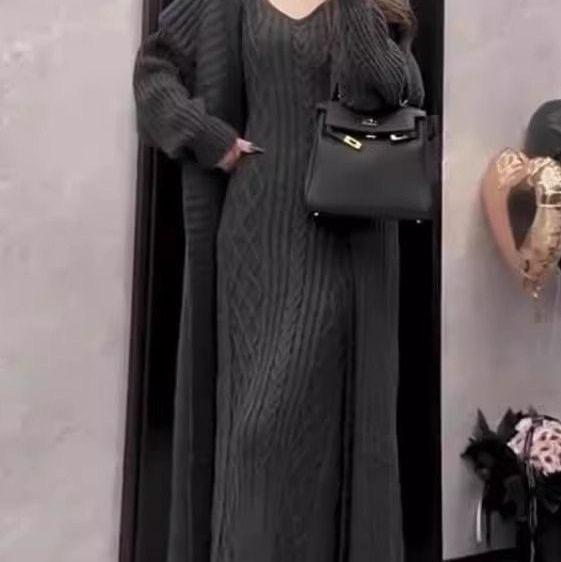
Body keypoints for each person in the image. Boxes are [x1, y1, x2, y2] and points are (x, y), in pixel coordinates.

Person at [133, 0, 425, 561]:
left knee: (316, 440)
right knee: (252, 439)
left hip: (345, 246)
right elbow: (154, 71)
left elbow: (386, 91)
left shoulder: (375, 9)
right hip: (254, 241)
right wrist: (207, 137)